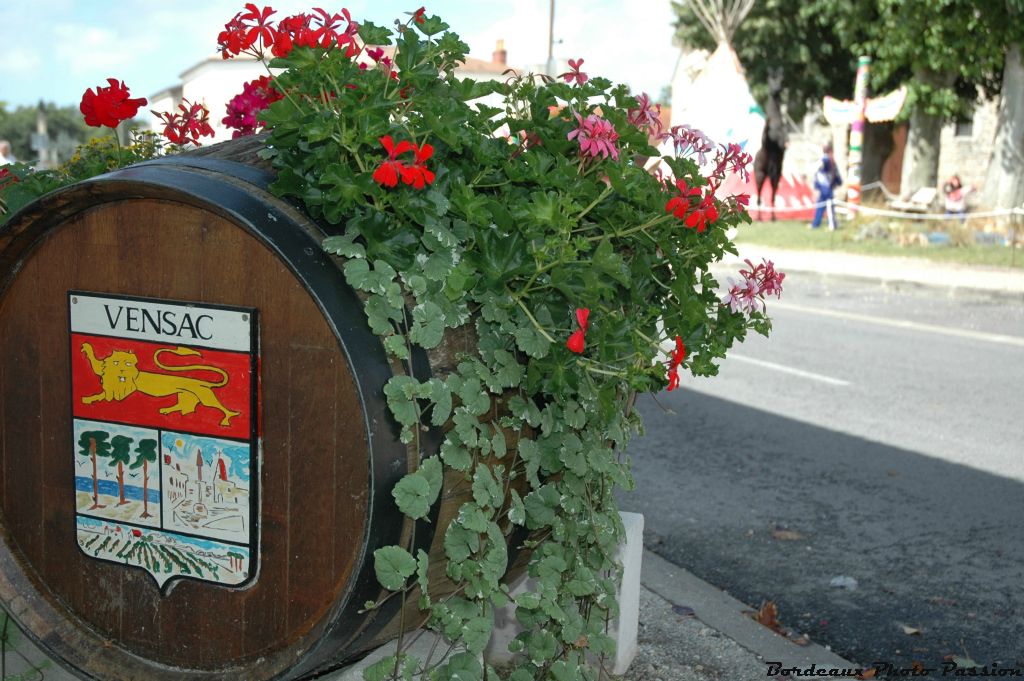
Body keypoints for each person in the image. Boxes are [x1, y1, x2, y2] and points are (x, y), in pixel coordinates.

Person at [810, 143, 842, 230]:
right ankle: (815, 224)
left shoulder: (827, 159)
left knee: (829, 208)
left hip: (827, 188)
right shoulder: (829, 160)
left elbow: (823, 163)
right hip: (824, 188)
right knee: (820, 206)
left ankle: (832, 225)